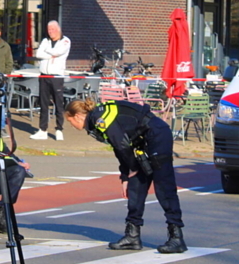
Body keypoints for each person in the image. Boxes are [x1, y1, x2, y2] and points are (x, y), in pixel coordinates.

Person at [64, 98, 187, 253]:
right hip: (141, 140)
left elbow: (121, 145)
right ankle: (132, 235)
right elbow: (119, 147)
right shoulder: (97, 118)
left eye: (70, 121)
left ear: (77, 116)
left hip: (157, 135)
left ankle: (176, 237)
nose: (71, 126)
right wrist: (126, 176)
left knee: (163, 186)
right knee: (135, 186)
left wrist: (132, 168)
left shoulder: (99, 118)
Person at [31, 20, 71, 141]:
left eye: (53, 29)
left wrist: (48, 51)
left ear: (58, 29)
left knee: (58, 103)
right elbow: (38, 54)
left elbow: (58, 52)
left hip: (57, 76)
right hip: (44, 75)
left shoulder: (65, 41)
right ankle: (43, 130)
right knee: (43, 103)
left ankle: (59, 129)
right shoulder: (45, 41)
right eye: (49, 30)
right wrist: (51, 55)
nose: (51, 32)